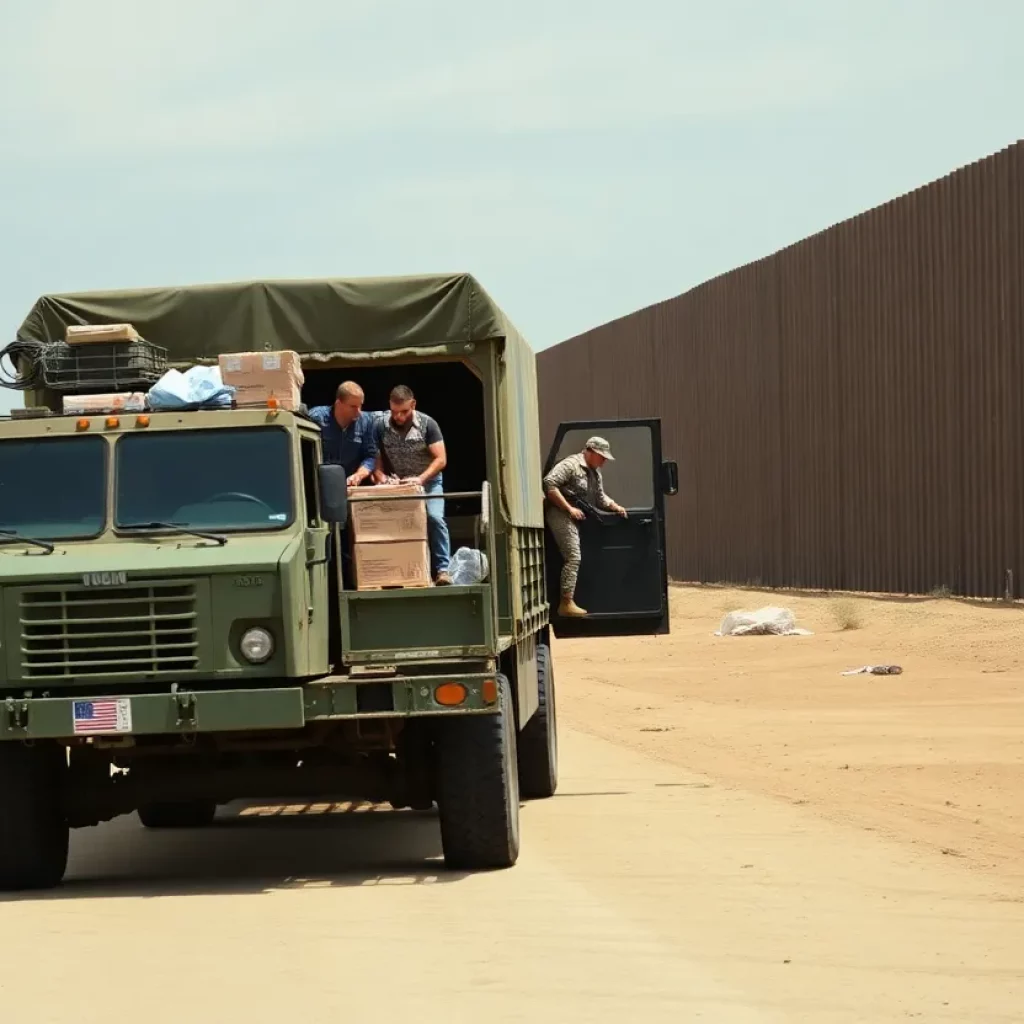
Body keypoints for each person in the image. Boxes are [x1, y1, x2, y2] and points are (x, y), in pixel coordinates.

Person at [373, 385, 451, 585]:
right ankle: (400, 573)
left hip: (429, 482)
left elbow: (441, 459)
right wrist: (382, 478)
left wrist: (421, 479)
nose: (398, 417)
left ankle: (443, 570)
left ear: (413, 405)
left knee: (434, 518)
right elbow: (376, 463)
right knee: (397, 526)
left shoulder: (427, 424)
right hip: (399, 485)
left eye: (404, 412)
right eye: (394, 412)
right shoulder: (380, 426)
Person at [543, 436, 627, 618]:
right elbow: (549, 484)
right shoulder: (571, 464)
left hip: (576, 516)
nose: (604, 461)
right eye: (602, 457)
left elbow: (600, 497)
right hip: (560, 513)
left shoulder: (594, 473)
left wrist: (615, 507)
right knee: (573, 557)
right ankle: (565, 602)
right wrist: (569, 508)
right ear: (591, 451)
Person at [306, 381, 378, 486]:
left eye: (360, 406)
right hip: (320, 485)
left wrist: (358, 475)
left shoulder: (366, 422)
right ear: (338, 403)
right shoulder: (316, 418)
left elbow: (371, 456)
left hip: (350, 486)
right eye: (353, 406)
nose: (358, 411)